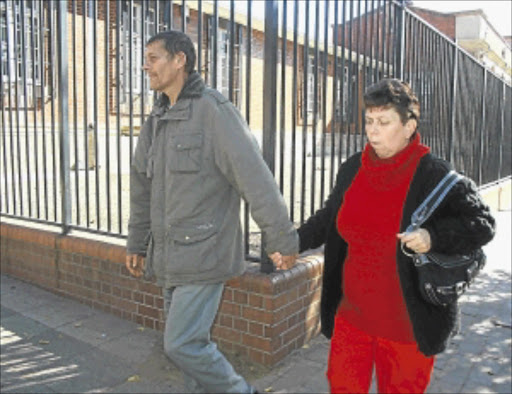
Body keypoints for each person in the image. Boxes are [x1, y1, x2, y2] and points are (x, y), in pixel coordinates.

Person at [271, 78, 495, 393]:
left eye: (384, 122)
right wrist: (293, 243)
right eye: (369, 121)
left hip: (407, 327)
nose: (372, 131)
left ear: (408, 126)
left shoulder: (434, 175)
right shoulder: (352, 169)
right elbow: (329, 217)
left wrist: (433, 236)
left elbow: (482, 223)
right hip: (352, 317)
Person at [126, 30, 298, 394]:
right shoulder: (157, 119)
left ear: (179, 60)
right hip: (171, 257)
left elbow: (255, 177)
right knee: (192, 350)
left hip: (205, 252)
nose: (146, 66)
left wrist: (280, 237)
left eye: (153, 57)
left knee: (181, 344)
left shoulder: (214, 111)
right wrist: (136, 244)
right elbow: (142, 186)